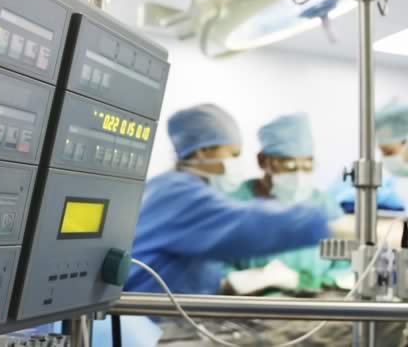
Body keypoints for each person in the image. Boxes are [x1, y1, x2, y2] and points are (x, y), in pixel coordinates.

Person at [125, 104, 331, 295]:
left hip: (164, 310)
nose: (238, 163)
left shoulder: (173, 187)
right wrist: (326, 223)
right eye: (233, 154)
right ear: (203, 152)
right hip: (145, 314)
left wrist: (228, 284)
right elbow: (249, 225)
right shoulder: (177, 193)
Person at [231, 113, 347, 290]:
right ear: (262, 161)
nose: (298, 175)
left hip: (317, 302)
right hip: (249, 305)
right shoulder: (236, 203)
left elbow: (344, 266)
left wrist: (309, 283)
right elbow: (215, 267)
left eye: (307, 165)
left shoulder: (324, 204)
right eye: (288, 165)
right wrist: (245, 281)